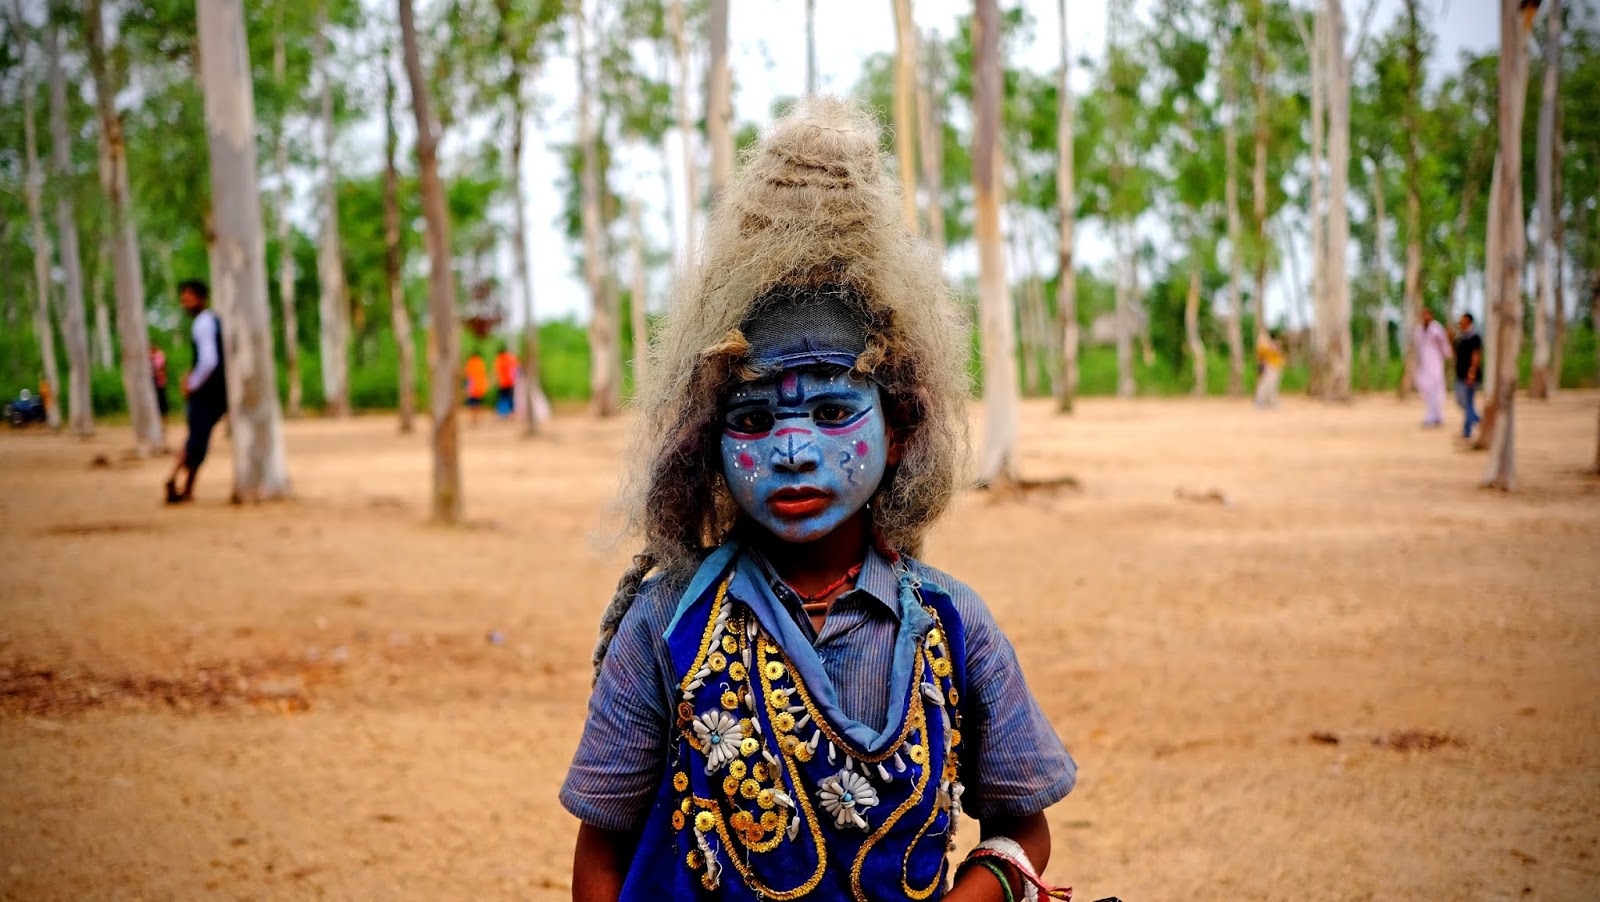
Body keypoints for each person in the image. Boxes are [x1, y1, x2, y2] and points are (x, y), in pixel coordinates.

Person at [563, 99, 1077, 902]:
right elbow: (602, 856)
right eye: (755, 419)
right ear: (710, 445)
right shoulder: (666, 623)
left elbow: (1023, 826)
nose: (794, 450)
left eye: (835, 412)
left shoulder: (953, 626)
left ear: (899, 427)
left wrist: (991, 885)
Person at [164, 280, 227, 504]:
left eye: (188, 298)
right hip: (213, 392)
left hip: (207, 393)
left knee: (197, 439)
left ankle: (178, 482)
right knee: (197, 439)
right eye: (183, 298)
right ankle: (179, 483)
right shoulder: (212, 321)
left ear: (201, 298)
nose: (184, 303)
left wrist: (191, 383)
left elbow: (209, 361)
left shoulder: (203, 323)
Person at [1411, 307, 1453, 429]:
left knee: (1436, 389)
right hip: (1424, 364)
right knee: (1426, 390)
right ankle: (1431, 416)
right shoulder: (1418, 330)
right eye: (1423, 315)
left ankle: (1437, 416)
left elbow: (1444, 343)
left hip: (1435, 363)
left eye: (1427, 315)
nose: (1425, 318)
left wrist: (1447, 354)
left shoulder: (1436, 329)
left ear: (1431, 316)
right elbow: (1418, 347)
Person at [1453, 313, 1483, 440]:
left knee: (1469, 402)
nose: (1460, 323)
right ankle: (1478, 419)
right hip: (1460, 374)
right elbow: (1455, 353)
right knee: (1461, 401)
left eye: (1463, 321)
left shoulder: (1475, 337)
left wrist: (1472, 372)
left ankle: (1467, 430)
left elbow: (1476, 355)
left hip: (1470, 375)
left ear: (1469, 322)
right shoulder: (1460, 337)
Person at [1254, 330, 1285, 410]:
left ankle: (1272, 403)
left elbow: (1278, 352)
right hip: (1268, 367)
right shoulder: (1262, 347)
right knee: (1264, 386)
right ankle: (1260, 403)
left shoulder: (1272, 344)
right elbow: (1261, 358)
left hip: (1276, 367)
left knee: (1273, 386)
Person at [462, 352, 488, 426]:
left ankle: (473, 418)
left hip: (472, 387)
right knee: (478, 403)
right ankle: (477, 418)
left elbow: (467, 375)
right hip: (480, 387)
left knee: (472, 403)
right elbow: (483, 375)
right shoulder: (481, 363)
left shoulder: (470, 362)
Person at [493, 345, 518, 419]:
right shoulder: (512, 358)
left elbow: (497, 372)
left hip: (503, 383)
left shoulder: (499, 359)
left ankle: (503, 413)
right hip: (511, 382)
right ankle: (511, 413)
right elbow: (516, 370)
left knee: (503, 398)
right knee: (510, 398)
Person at [151, 346, 170, 419]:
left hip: (159, 383)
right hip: (153, 383)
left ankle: (164, 420)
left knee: (162, 402)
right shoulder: (150, 355)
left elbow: (160, 368)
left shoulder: (159, 355)